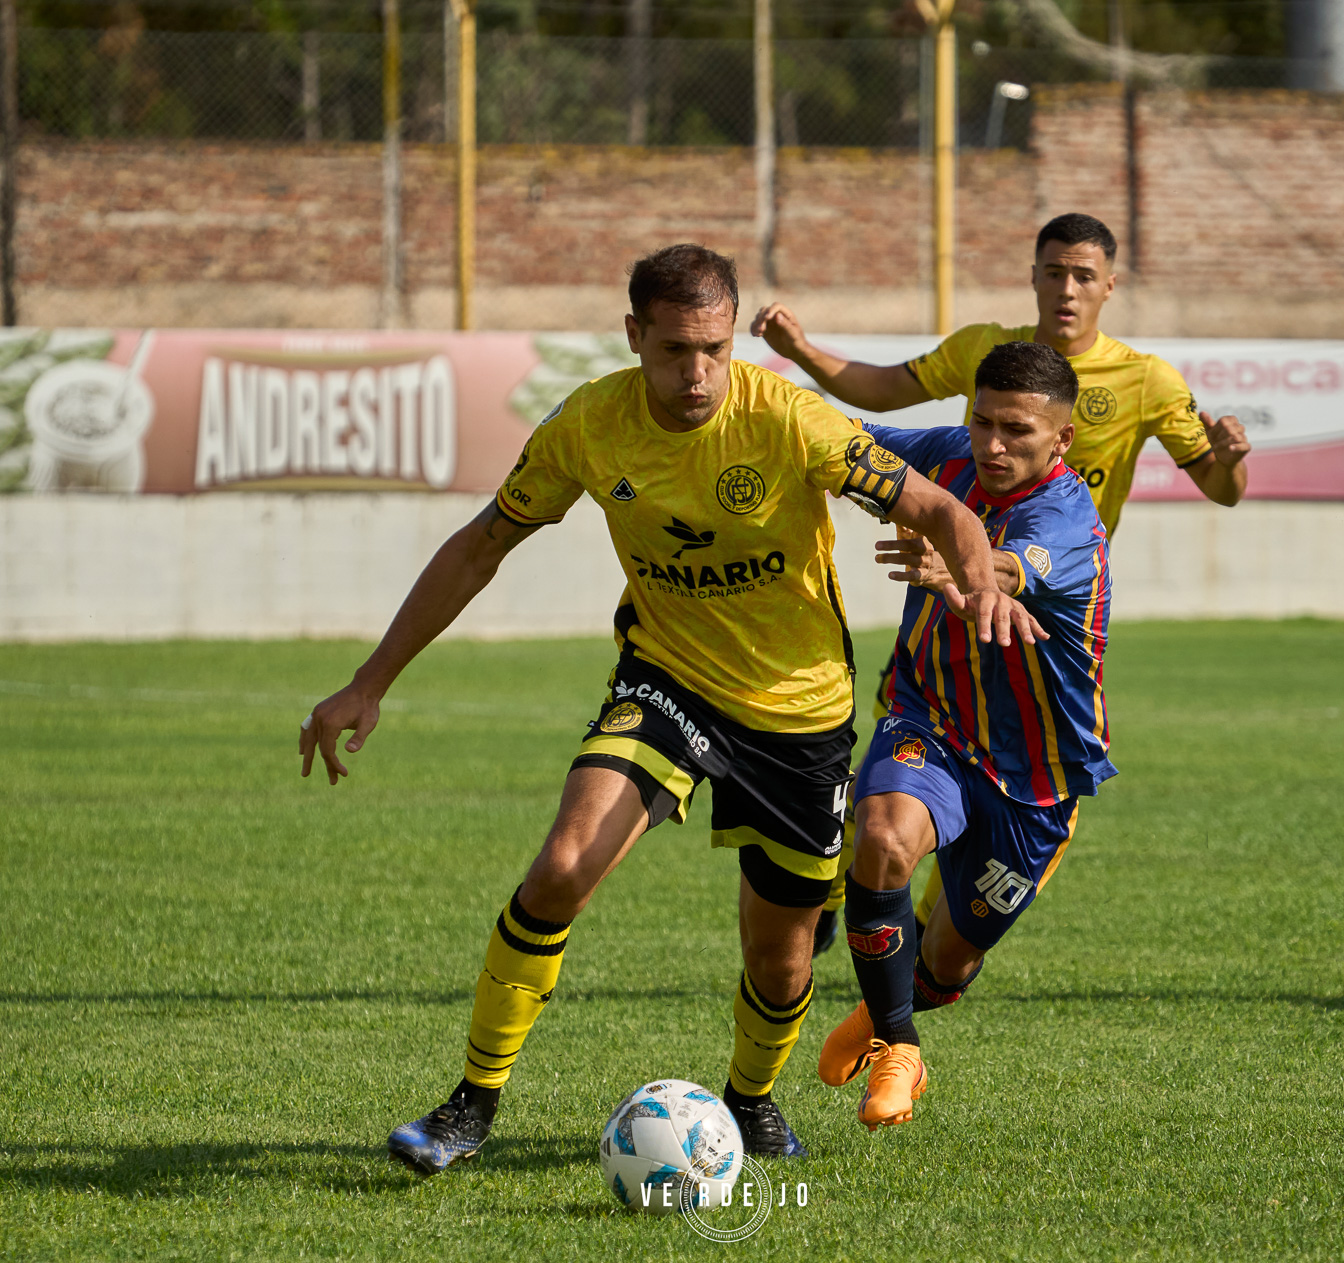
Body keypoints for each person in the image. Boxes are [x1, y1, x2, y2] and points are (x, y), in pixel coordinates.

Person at [298, 243, 1043, 1176]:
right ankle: (470, 1104)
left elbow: (944, 510)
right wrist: (369, 679)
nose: (698, 374)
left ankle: (750, 1104)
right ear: (633, 336)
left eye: (717, 350)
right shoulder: (592, 424)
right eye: (675, 350)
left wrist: (978, 587)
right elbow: (482, 545)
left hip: (798, 711)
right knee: (561, 867)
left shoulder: (788, 421)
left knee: (780, 961)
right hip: (666, 680)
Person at [752, 211, 1251, 945]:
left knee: (964, 885)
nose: (1067, 289)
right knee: (908, 752)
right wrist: (802, 354)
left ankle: (920, 951)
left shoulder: (1146, 379)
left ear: (1110, 287)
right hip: (953, 581)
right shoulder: (986, 349)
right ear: (1034, 277)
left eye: (1084, 276)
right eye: (1054, 272)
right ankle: (848, 887)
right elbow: (883, 393)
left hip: (1047, 599)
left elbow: (1220, 486)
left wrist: (1229, 457)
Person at [814, 340, 1115, 1130]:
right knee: (880, 841)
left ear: (1062, 440)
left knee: (949, 963)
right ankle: (900, 1046)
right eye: (980, 422)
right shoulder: (948, 457)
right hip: (932, 720)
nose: (992, 444)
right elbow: (833, 438)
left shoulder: (1070, 521)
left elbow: (1014, 569)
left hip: (1037, 776)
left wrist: (969, 576)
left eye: (1017, 429)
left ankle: (887, 1007)